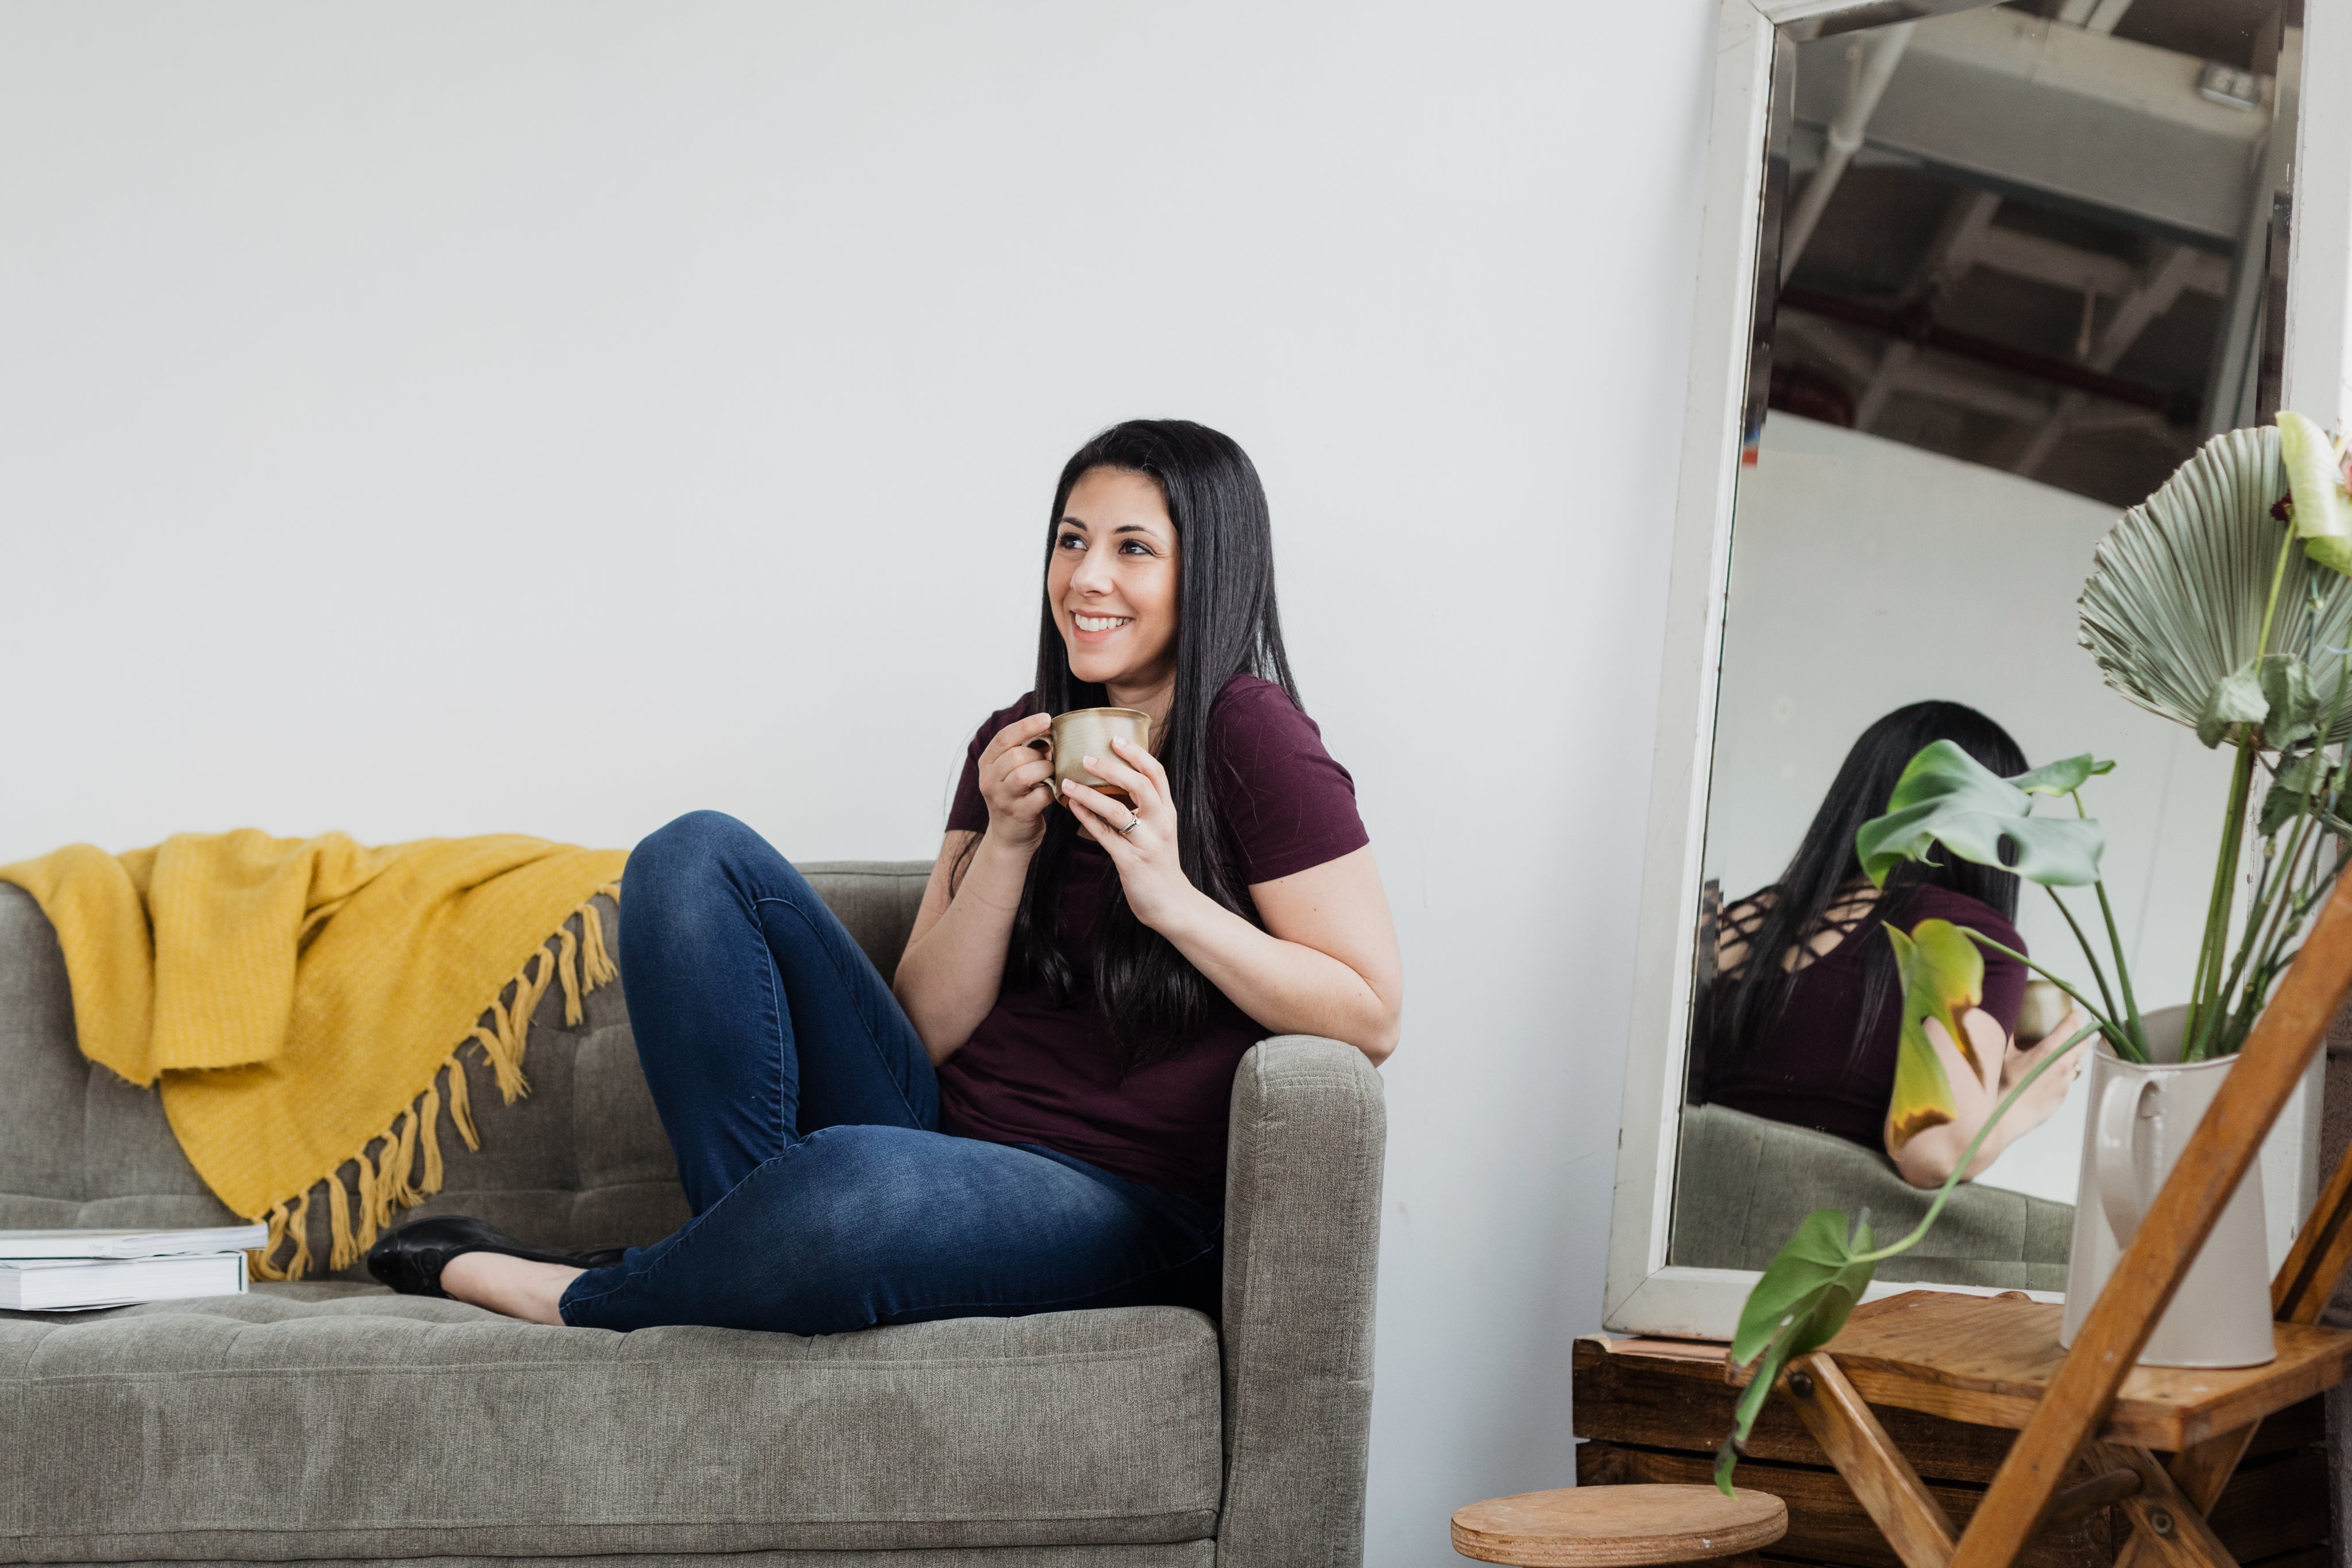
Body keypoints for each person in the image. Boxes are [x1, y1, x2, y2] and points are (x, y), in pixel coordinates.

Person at [366, 419, 1405, 1331]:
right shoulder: (1015, 738)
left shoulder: (1249, 734)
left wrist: (1168, 899)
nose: (1087, 578)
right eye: (1072, 541)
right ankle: (751, 1267)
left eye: (1134, 548)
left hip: (1125, 1199)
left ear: (1206, 569)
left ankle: (574, 1291)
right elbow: (926, 1030)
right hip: (931, 1131)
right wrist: (1003, 843)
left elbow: (1369, 1016)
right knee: (688, 857)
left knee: (851, 1187)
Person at [1696, 701, 2084, 1188]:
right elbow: (1934, 1150)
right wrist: (2022, 1104)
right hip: (1800, 1243)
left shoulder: (1727, 922)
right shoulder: (1968, 935)